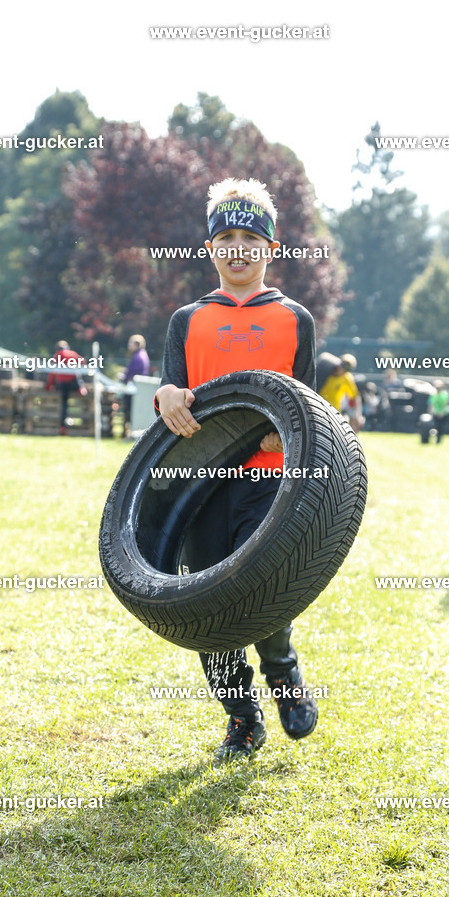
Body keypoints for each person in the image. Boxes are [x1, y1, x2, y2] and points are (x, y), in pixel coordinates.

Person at [154, 176, 318, 763]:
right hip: (199, 482)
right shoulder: (188, 319)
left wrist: (284, 433)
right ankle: (242, 718)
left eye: (251, 239)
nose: (239, 249)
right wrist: (165, 396)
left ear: (271, 248)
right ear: (210, 248)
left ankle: (282, 672)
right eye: (227, 239)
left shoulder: (294, 319)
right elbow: (173, 389)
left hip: (270, 478)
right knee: (206, 602)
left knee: (263, 584)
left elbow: (308, 407)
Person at [45, 340, 87, 434]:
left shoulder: (57, 355)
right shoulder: (72, 353)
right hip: (72, 382)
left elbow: (52, 372)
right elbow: (83, 361)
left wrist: (48, 385)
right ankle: (81, 387)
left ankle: (63, 427)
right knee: (77, 374)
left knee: (64, 404)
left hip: (62, 383)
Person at [319, 356, 364, 430]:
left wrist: (358, 415)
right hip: (319, 405)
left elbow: (355, 397)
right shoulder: (326, 371)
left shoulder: (346, 378)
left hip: (333, 410)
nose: (343, 370)